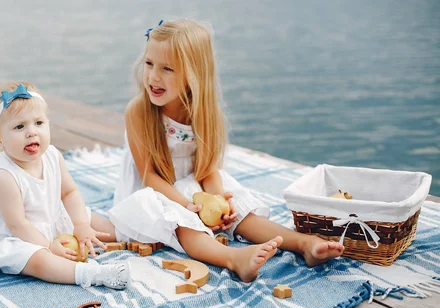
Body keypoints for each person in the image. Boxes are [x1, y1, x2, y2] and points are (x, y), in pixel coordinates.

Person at [109, 19, 344, 283]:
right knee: (186, 225)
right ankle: (233, 259)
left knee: (243, 214)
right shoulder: (139, 112)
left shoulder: (205, 114)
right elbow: (149, 177)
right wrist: (188, 206)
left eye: (167, 69)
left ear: (193, 74)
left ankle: (303, 243)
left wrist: (219, 201)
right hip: (156, 193)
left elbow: (207, 168)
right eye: (149, 64)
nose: (153, 76)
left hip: (194, 190)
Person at [0, 81, 130, 289]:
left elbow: (69, 192)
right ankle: (91, 274)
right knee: (37, 259)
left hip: (50, 217)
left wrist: (80, 225)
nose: (32, 132)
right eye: (19, 126)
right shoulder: (4, 177)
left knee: (90, 219)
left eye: (39, 123)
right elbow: (18, 224)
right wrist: (48, 246)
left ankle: (132, 234)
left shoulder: (52, 155)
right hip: (19, 236)